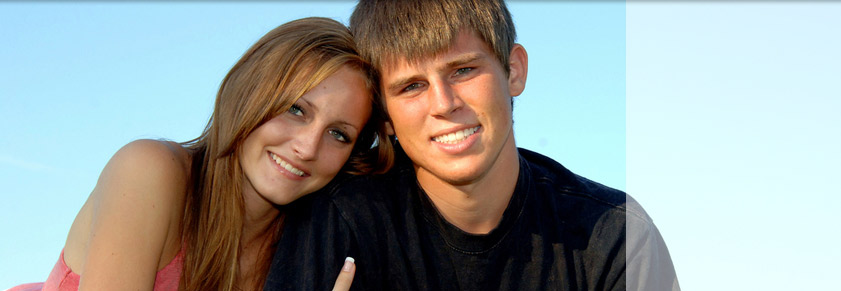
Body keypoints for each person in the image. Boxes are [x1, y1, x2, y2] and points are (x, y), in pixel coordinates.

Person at [264, 0, 679, 290]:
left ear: (513, 71)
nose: (444, 104)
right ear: (385, 117)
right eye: (411, 86)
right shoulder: (342, 217)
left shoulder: (617, 237)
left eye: (463, 70)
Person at [8, 17, 392, 291]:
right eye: (295, 109)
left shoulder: (313, 245)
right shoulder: (150, 172)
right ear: (248, 93)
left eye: (339, 134)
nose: (307, 147)